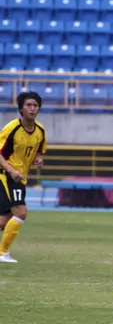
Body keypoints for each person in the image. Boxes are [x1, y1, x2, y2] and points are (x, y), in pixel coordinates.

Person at [0, 92, 46, 263]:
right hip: (6, 175)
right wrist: (11, 171)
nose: (32, 108)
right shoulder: (12, 128)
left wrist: (37, 159)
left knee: (4, 221)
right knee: (20, 212)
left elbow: (38, 151)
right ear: (21, 108)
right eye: (29, 105)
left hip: (20, 177)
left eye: (35, 105)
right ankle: (2, 253)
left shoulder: (40, 131)